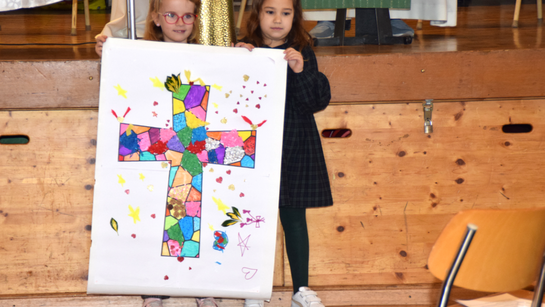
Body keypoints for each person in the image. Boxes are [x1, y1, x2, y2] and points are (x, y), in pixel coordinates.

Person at [238, 0, 333, 305]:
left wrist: (301, 70)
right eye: (270, 11)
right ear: (258, 15)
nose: (278, 19)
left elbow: (315, 101)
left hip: (293, 145)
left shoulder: (301, 52)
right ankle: (251, 288)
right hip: (252, 146)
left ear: (295, 17)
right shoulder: (244, 49)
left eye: (286, 13)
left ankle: (301, 290)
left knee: (294, 219)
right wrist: (237, 63)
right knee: (253, 219)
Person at [94, 0, 201, 57]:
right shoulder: (142, 53)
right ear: (156, 18)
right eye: (171, 15)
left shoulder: (203, 56)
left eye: (187, 16)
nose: (180, 23)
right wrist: (106, 53)